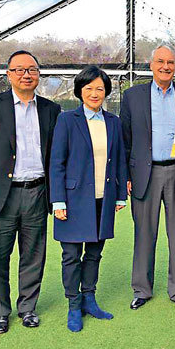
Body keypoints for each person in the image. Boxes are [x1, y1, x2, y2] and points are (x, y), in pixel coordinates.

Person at [0, 50, 61, 334]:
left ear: (38, 75)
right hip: (2, 194)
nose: (26, 74)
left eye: (32, 69)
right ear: (8, 74)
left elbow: (54, 150)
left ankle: (28, 308)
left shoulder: (51, 109)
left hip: (37, 191)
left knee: (34, 255)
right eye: (19, 69)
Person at [120, 45, 175, 312]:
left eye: (170, 62)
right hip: (145, 174)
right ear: (151, 64)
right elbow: (125, 139)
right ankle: (141, 289)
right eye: (160, 62)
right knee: (144, 234)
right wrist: (127, 175)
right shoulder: (132, 96)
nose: (166, 66)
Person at [49, 65, 127, 332]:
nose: (95, 93)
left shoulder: (114, 122)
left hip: (102, 199)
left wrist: (120, 196)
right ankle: (73, 305)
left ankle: (89, 299)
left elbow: (119, 160)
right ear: (80, 91)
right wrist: (58, 200)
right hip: (72, 200)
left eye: (100, 89)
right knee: (71, 255)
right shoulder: (66, 120)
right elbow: (56, 162)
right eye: (89, 88)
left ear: (106, 92)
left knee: (94, 253)